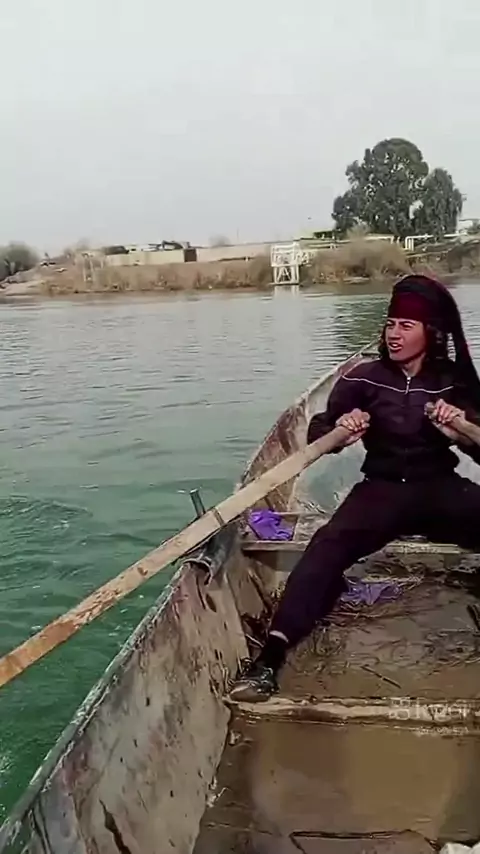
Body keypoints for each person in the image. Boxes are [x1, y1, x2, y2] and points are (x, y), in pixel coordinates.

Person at [230, 274, 480, 702]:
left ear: (430, 332)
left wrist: (459, 429)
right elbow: (320, 432)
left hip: (439, 488)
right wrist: (343, 430)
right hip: (380, 490)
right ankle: (269, 660)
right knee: (326, 547)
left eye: (406, 325)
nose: (394, 334)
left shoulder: (453, 382)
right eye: (390, 324)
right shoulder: (363, 378)